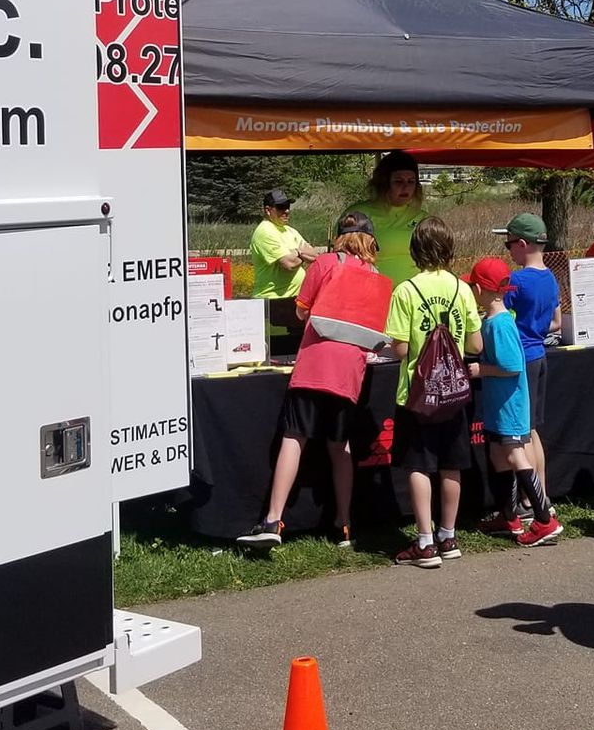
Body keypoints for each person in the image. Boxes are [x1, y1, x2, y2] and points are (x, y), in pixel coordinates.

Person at [236, 213, 387, 549]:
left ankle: (274, 519)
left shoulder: (325, 263)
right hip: (350, 370)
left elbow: (302, 311)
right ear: (370, 239)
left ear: (339, 237)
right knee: (340, 446)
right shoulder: (375, 275)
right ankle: (343, 524)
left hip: (315, 362)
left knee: (295, 437)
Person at [384, 216, 483, 567]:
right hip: (454, 392)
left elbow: (398, 349)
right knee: (452, 465)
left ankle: (424, 542)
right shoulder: (462, 288)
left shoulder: (406, 291)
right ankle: (448, 535)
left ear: (415, 250)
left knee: (418, 464)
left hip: (416, 392)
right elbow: (475, 342)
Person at [466, 256, 562, 547]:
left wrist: (481, 370)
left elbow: (512, 366)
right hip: (499, 405)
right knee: (497, 455)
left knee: (514, 455)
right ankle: (509, 516)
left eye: (472, 286)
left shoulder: (500, 325)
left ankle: (545, 519)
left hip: (510, 405)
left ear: (481, 290)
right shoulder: (496, 321)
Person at [249, 187, 322, 350]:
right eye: (281, 207)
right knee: (279, 351)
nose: (287, 211)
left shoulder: (290, 231)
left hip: (295, 300)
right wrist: (299, 251)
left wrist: (297, 253)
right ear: (268, 210)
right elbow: (288, 263)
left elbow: (315, 256)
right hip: (274, 301)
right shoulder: (264, 231)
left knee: (297, 348)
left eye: (288, 206)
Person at [345, 151, 427, 287]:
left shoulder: (424, 218)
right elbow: (343, 260)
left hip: (414, 296)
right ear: (384, 183)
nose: (405, 187)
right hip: (371, 293)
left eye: (411, 181)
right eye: (398, 181)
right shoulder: (358, 215)